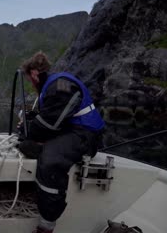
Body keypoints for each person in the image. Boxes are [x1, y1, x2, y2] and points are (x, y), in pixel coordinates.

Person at [17, 51, 105, 233]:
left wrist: (29, 132)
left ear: (33, 73)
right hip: (72, 130)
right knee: (28, 146)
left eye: (29, 79)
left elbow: (50, 121)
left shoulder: (60, 85)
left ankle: (47, 224)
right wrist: (30, 121)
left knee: (50, 160)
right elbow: (53, 115)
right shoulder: (54, 85)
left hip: (86, 135)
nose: (31, 84)